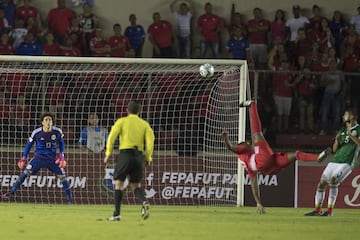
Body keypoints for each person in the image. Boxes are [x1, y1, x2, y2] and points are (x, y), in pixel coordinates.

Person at [222, 100, 328, 214]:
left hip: (271, 164)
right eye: (244, 142)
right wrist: (225, 138)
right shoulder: (242, 151)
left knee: (296, 155)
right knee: (257, 134)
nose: (247, 143)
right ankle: (252, 105)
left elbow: (254, 185)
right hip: (263, 160)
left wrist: (258, 202)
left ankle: (317, 158)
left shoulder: (249, 166)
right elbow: (231, 148)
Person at [2, 112, 73, 203]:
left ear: (52, 122)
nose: (48, 122)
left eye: (50, 120)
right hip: (38, 159)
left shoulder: (57, 132)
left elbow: (62, 143)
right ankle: (11, 192)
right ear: (42, 122)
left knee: (63, 177)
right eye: (46, 120)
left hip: (52, 160)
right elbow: (28, 145)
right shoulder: (36, 132)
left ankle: (70, 200)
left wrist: (62, 155)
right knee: (25, 173)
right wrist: (24, 158)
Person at [104, 100, 155, 221]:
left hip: (125, 154)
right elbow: (150, 141)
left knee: (118, 183)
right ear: (140, 111)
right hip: (138, 156)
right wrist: (148, 157)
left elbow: (111, 136)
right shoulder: (144, 124)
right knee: (135, 185)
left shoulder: (122, 121)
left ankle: (117, 214)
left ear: (127, 110)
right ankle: (144, 202)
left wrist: (108, 153)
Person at [305, 109, 360, 217]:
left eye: (346, 114)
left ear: (353, 116)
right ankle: (318, 210)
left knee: (334, 181)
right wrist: (336, 140)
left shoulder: (358, 129)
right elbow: (335, 150)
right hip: (335, 160)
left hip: (347, 162)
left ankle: (329, 211)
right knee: (321, 183)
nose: (343, 116)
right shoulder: (343, 130)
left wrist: (351, 135)